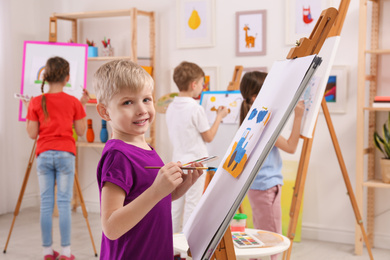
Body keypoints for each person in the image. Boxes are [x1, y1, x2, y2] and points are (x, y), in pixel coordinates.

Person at [93, 59, 204, 259]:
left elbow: (147, 202)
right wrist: (156, 191)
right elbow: (110, 226)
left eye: (146, 99)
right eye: (128, 102)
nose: (142, 109)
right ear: (104, 111)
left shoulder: (146, 148)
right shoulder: (118, 156)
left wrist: (177, 189)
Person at [25, 56, 89, 260]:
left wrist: (29, 110)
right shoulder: (73, 102)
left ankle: (46, 252)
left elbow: (32, 134)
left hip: (43, 154)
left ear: (45, 76)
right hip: (66, 154)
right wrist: (83, 105)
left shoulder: (36, 102)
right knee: (63, 203)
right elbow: (80, 131)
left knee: (46, 203)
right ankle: (66, 253)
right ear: (67, 78)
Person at [239, 71, 304, 260]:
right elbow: (291, 147)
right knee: (274, 240)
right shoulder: (263, 122)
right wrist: (298, 116)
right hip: (267, 186)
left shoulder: (249, 116)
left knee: (260, 235)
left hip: (257, 185)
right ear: (255, 96)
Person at [166, 61, 229, 234]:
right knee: (192, 205)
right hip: (196, 162)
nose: (202, 87)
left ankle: (171, 248)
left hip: (177, 161)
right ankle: (187, 249)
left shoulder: (171, 107)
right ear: (194, 84)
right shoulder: (196, 108)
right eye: (202, 84)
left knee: (175, 206)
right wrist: (219, 117)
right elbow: (208, 137)